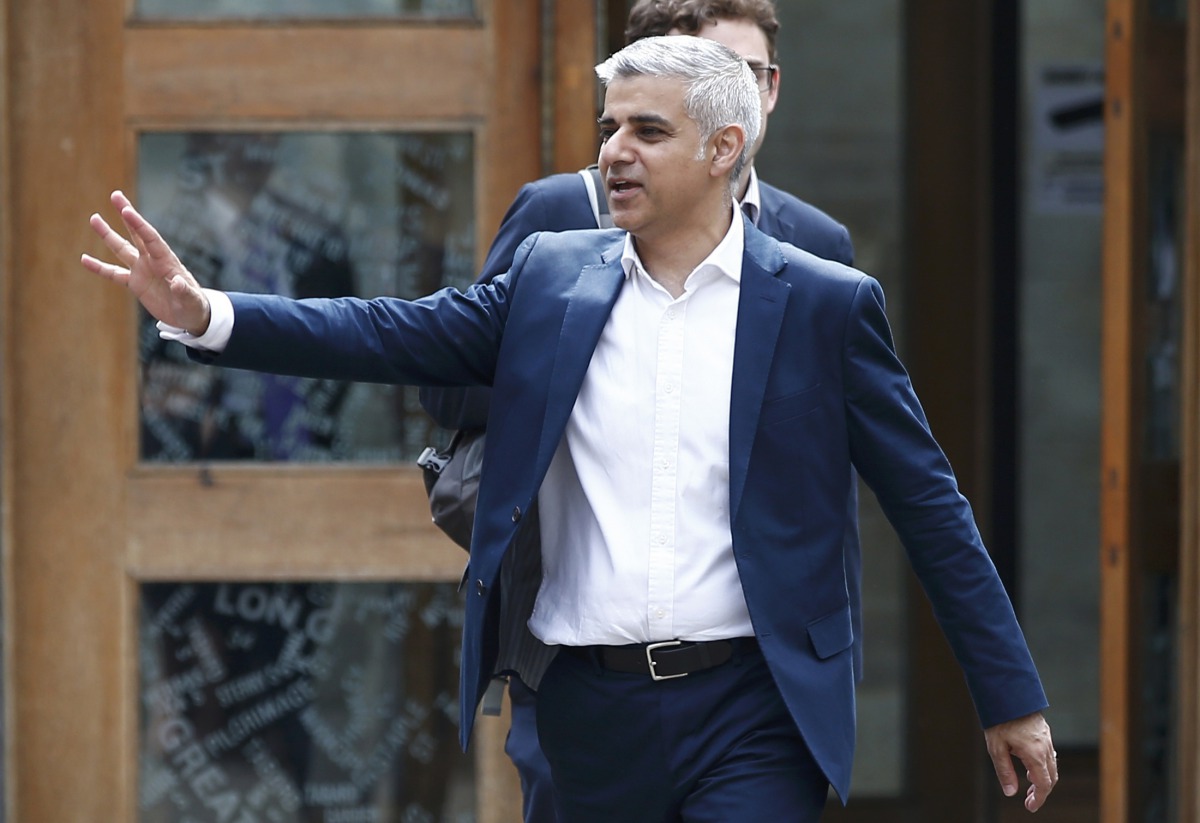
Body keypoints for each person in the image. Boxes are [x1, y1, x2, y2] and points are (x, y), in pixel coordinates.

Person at [83, 34, 1057, 822]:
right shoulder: (553, 274)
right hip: (586, 710)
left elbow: (929, 503)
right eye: (608, 128)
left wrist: (1008, 692)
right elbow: (393, 331)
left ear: (726, 149)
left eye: (647, 130)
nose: (612, 152)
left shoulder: (823, 305)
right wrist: (206, 312)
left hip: (753, 710)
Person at [419, 4, 860, 819]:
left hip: (748, 685)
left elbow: (837, 474)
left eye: (751, 77)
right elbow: (447, 367)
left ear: (767, 95)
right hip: (583, 661)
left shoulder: (816, 250)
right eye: (703, 68)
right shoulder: (564, 224)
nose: (735, 92)